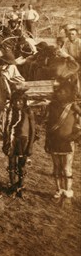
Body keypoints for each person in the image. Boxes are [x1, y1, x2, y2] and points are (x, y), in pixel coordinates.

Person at [45, 77, 81, 206]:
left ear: (68, 92)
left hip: (67, 142)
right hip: (54, 141)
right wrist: (47, 140)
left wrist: (76, 135)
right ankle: (58, 190)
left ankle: (68, 192)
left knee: (67, 169)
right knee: (56, 168)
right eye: (58, 91)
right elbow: (48, 125)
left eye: (62, 91)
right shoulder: (52, 106)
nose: (59, 93)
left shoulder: (73, 106)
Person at [2, 88, 35, 198]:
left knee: (21, 165)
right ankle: (12, 186)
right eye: (15, 101)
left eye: (20, 101)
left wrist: (30, 146)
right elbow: (6, 128)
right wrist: (5, 143)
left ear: (24, 101)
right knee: (11, 164)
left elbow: (33, 131)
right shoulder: (10, 112)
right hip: (12, 140)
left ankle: (20, 186)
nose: (17, 103)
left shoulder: (28, 111)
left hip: (24, 142)